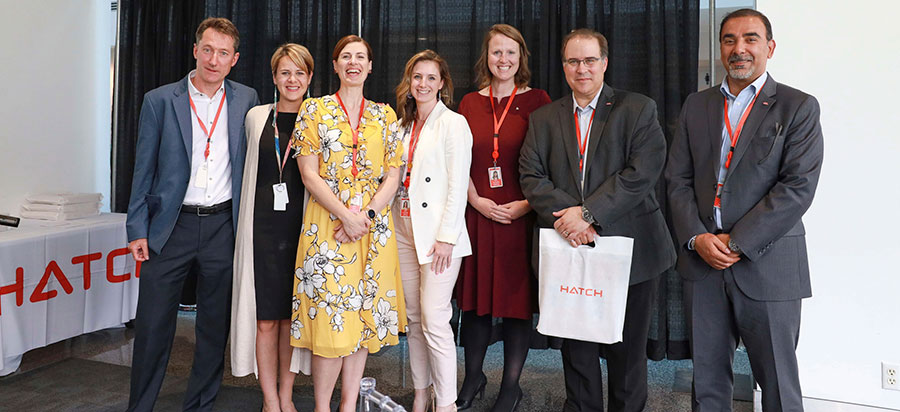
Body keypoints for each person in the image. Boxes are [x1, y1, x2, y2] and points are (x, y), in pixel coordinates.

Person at [665, 9, 823, 412]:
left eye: (750, 39)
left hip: (768, 264)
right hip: (703, 264)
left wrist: (735, 241)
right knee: (709, 386)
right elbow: (676, 180)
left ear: (769, 47)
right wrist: (697, 237)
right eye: (729, 40)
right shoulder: (696, 106)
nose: (740, 49)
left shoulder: (797, 106)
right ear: (720, 48)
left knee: (778, 388)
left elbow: (796, 188)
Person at [519, 28, 675, 412]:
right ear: (564, 66)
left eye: (590, 60)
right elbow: (531, 176)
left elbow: (642, 172)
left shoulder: (638, 109)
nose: (582, 68)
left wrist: (588, 214)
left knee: (626, 350)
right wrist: (573, 221)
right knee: (577, 350)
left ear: (604, 63)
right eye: (573, 61)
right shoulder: (543, 118)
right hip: (568, 247)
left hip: (630, 249)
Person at [124, 17, 259, 412]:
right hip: (171, 227)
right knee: (152, 326)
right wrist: (137, 228)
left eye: (222, 53)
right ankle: (141, 406)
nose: (213, 60)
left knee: (214, 327)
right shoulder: (161, 100)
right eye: (207, 50)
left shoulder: (246, 100)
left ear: (234, 59)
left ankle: (200, 406)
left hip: (222, 226)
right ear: (195, 50)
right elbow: (142, 168)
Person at [289, 35, 407, 412]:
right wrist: (346, 215)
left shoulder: (385, 115)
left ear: (370, 66)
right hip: (327, 229)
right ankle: (323, 407)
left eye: (361, 57)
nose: (353, 62)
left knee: (361, 322)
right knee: (330, 322)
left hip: (372, 230)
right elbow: (309, 174)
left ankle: (349, 405)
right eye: (345, 57)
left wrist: (366, 216)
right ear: (336, 66)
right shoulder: (314, 110)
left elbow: (393, 175)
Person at [454, 23, 552, 412]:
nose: (504, 60)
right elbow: (456, 163)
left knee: (515, 304)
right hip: (477, 215)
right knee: (475, 305)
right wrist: (475, 201)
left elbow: (551, 161)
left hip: (520, 218)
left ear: (521, 58)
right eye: (497, 52)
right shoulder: (468, 103)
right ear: (486, 58)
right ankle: (473, 377)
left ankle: (511, 386)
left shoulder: (539, 101)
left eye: (511, 52)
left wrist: (528, 204)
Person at [231, 43, 315, 412]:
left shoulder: (319, 117)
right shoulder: (255, 117)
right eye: (285, 72)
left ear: (310, 77)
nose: (292, 80)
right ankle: (269, 399)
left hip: (304, 231)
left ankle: (286, 395)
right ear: (274, 77)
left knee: (291, 321)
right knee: (266, 320)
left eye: (299, 72)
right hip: (262, 231)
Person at [393, 49, 473, 412]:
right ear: (409, 83)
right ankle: (421, 393)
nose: (422, 84)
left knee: (435, 319)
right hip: (403, 228)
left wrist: (447, 238)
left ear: (442, 84)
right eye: (417, 77)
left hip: (439, 238)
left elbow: (459, 186)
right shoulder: (401, 126)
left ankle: (447, 404)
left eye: (430, 78)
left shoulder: (453, 123)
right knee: (413, 319)